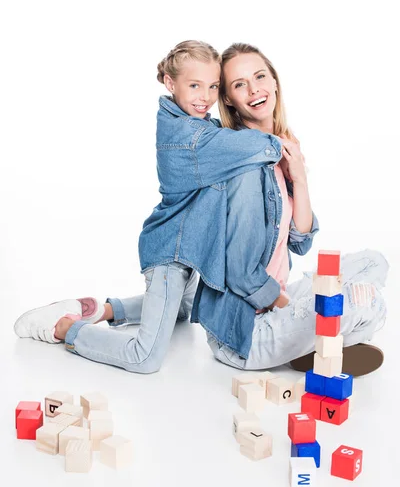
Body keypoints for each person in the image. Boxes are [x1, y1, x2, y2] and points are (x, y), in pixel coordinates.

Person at [13, 40, 286, 373]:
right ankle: (67, 328)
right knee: (144, 356)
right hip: (170, 254)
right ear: (171, 84)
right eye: (194, 85)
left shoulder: (199, 125)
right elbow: (260, 145)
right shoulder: (190, 137)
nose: (205, 96)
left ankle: (102, 310)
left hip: (191, 253)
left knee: (182, 314)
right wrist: (285, 146)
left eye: (213, 86)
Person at [191, 43, 388, 376]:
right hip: (245, 332)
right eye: (240, 84)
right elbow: (239, 272)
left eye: (260, 76)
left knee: (375, 263)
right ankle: (313, 339)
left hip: (276, 301)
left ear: (275, 82)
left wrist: (298, 176)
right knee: (368, 303)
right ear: (228, 99)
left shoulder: (277, 150)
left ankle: (308, 341)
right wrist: (292, 306)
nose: (254, 89)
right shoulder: (246, 164)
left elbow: (300, 240)